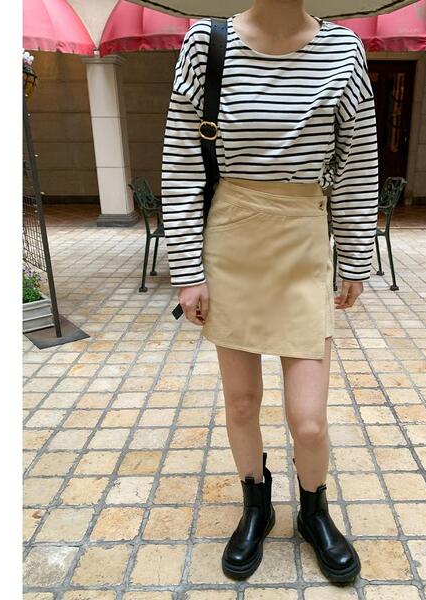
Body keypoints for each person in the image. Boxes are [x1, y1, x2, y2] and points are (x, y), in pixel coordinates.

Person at [161, 0, 379, 583]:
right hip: (231, 238)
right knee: (241, 402)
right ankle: (256, 505)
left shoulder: (344, 49)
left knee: (308, 420)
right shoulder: (206, 43)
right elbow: (182, 159)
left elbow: (358, 164)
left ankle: (314, 512)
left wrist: (356, 257)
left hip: (302, 239)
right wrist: (187, 269)